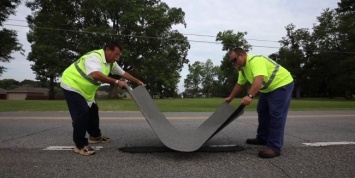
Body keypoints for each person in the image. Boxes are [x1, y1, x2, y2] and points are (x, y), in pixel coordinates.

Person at [60, 41, 144, 156]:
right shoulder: (94, 58)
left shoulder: (111, 63)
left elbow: (123, 73)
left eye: (119, 55)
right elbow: (95, 75)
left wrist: (138, 82)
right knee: (82, 113)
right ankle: (80, 145)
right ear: (107, 50)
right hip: (72, 84)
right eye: (116, 54)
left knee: (93, 111)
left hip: (86, 91)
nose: (117, 57)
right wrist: (116, 82)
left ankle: (94, 136)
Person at [225, 47, 294, 158]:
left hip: (281, 84)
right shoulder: (243, 69)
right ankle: (263, 138)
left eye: (234, 60)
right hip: (267, 89)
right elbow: (239, 84)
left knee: (276, 115)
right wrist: (230, 97)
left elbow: (259, 79)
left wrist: (250, 95)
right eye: (232, 61)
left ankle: (274, 147)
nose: (234, 63)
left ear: (242, 55)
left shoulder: (255, 61)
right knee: (262, 111)